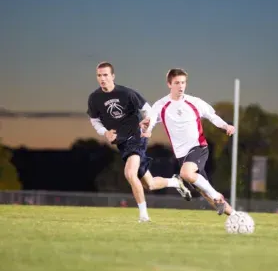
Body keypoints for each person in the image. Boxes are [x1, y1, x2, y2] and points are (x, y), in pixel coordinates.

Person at [87, 62, 192, 222]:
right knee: (149, 184)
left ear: (113, 76)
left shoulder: (126, 93)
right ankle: (175, 181)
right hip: (122, 144)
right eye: (99, 75)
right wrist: (105, 132)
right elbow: (94, 120)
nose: (102, 78)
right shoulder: (94, 98)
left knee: (129, 173)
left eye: (106, 75)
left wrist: (147, 125)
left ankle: (144, 217)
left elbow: (149, 110)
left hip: (137, 137)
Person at [140, 68, 237, 217]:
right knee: (205, 193)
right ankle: (236, 216)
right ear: (169, 84)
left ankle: (217, 195)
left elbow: (212, 116)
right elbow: (151, 121)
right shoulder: (161, 105)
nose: (181, 86)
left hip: (198, 147)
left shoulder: (194, 102)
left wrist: (225, 126)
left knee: (186, 174)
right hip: (181, 156)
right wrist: (148, 130)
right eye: (177, 83)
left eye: (183, 83)